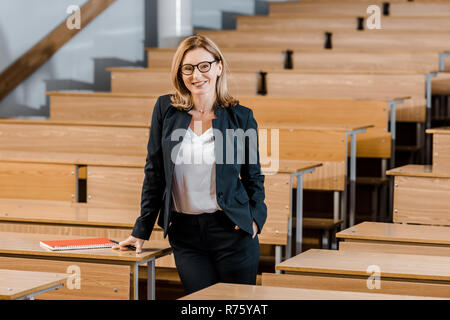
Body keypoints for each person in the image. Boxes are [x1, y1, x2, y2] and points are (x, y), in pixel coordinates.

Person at [114, 35, 267, 294]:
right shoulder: (166, 109)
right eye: (188, 68)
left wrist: (253, 221)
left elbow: (253, 176)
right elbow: (155, 172)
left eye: (204, 66)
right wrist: (141, 229)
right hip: (186, 236)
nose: (196, 75)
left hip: (232, 231)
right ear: (180, 73)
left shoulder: (241, 116)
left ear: (218, 68)